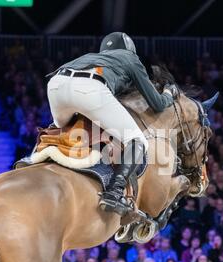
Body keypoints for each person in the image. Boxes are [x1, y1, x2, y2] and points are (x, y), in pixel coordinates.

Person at [42, 32, 178, 216]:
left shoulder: (91, 57)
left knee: (60, 130)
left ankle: (33, 158)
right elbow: (158, 103)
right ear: (129, 50)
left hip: (56, 86)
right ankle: (114, 193)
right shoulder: (129, 57)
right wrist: (169, 93)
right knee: (137, 140)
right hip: (89, 89)